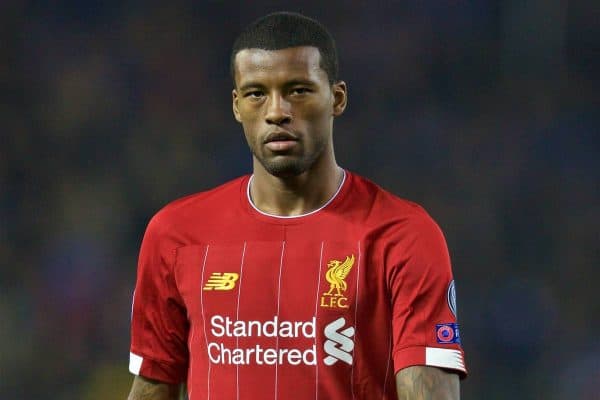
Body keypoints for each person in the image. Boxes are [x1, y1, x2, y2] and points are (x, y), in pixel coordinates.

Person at [127, 11, 467, 400]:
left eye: (298, 90)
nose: (277, 111)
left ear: (336, 98)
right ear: (237, 106)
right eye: (257, 93)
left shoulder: (403, 236)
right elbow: (154, 385)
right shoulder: (175, 235)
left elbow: (429, 390)